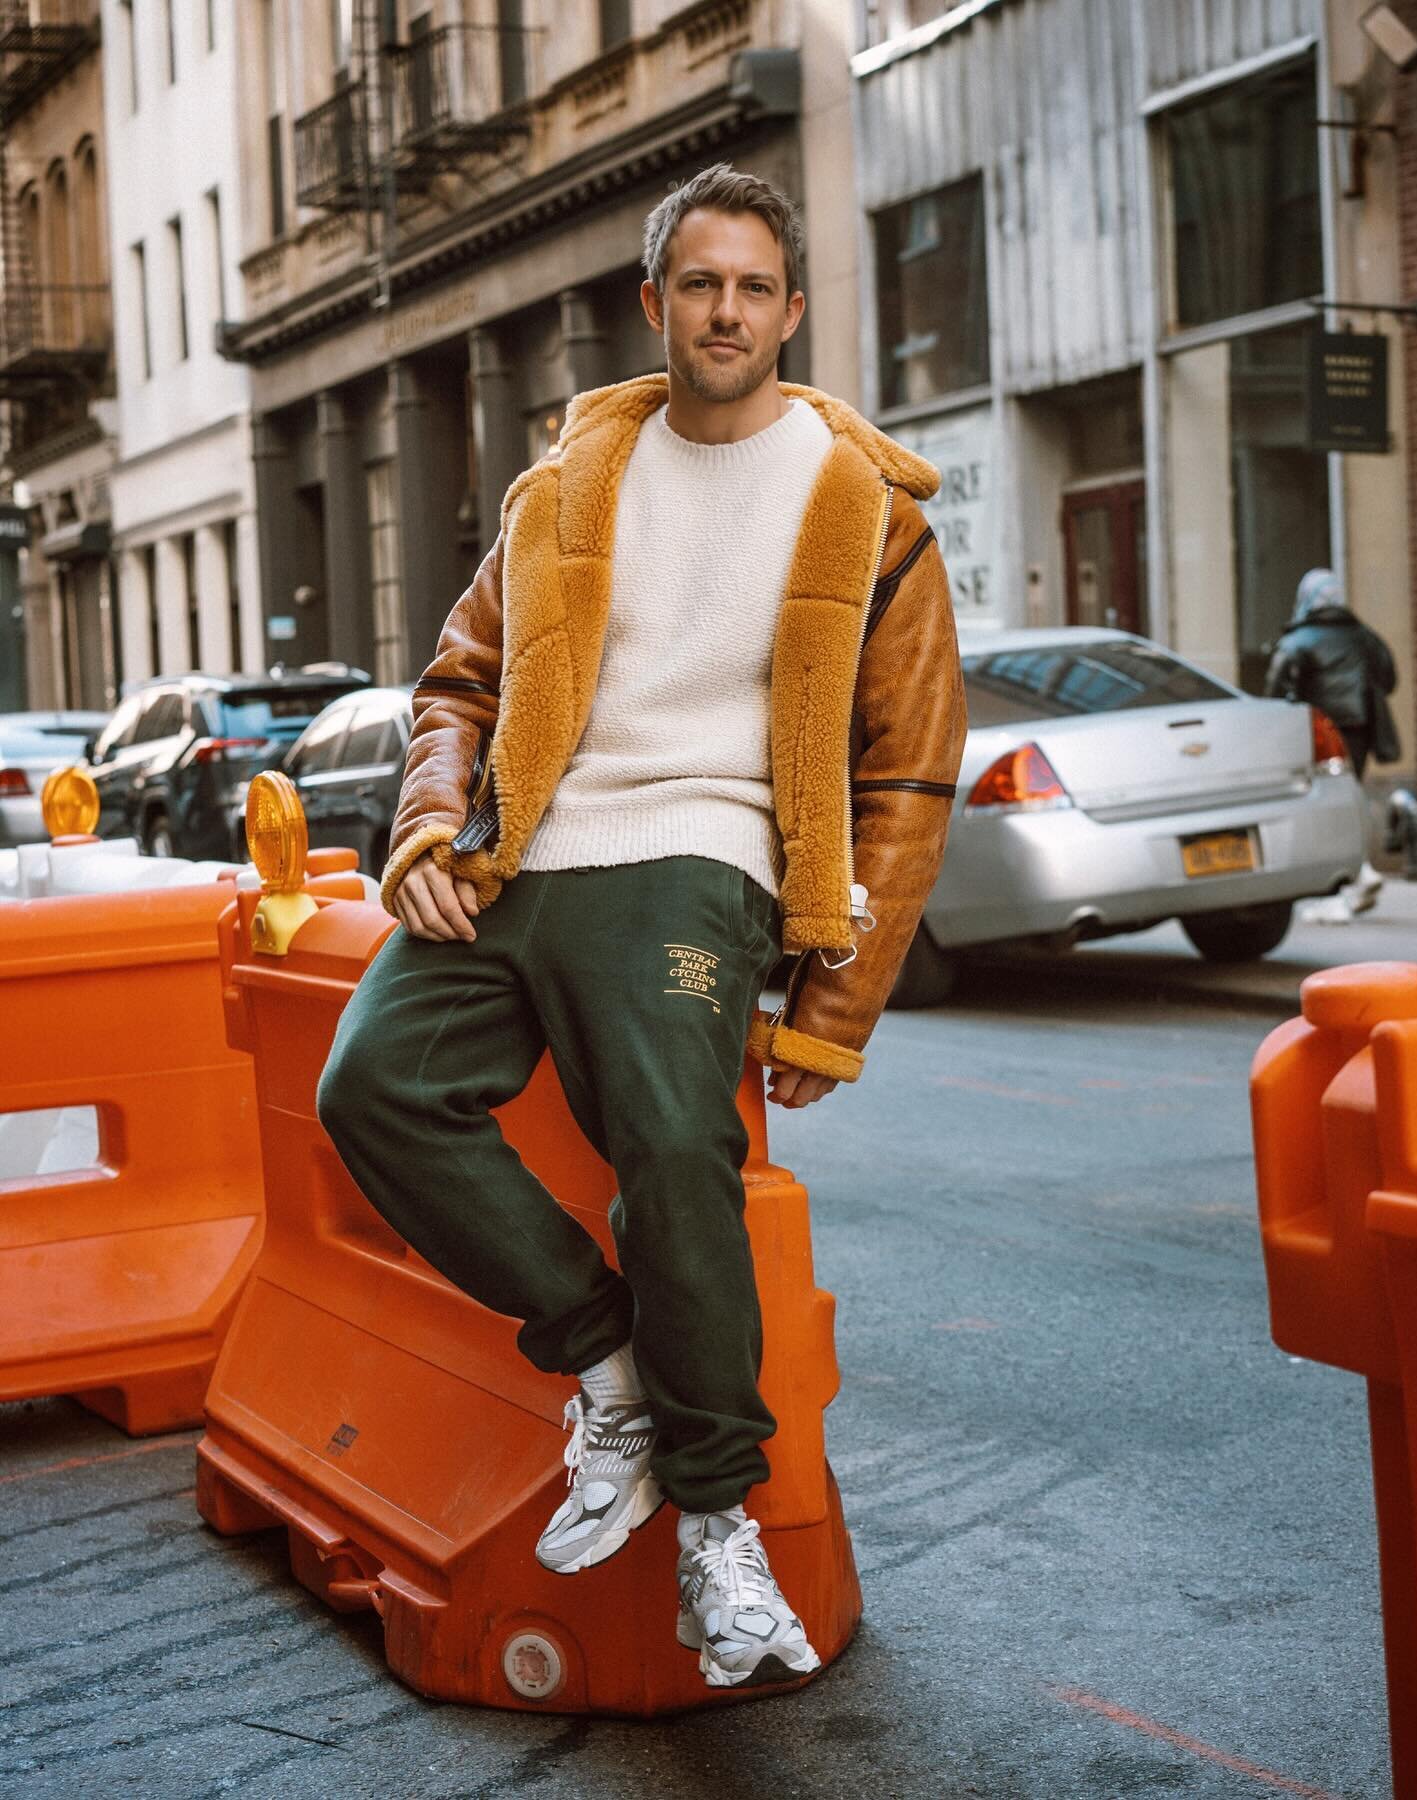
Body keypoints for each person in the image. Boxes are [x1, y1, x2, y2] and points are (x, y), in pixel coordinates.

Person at [317, 164, 966, 1690]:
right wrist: (427, 823)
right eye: (700, 283)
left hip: (705, 852)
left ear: (791, 310)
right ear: (654, 302)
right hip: (525, 852)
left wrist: (835, 1002)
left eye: (754, 286)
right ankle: (607, 1364)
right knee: (374, 1086)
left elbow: (911, 766)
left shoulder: (863, 510)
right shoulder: (568, 487)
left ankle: (719, 1529)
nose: (726, 310)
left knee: (677, 1140)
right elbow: (459, 682)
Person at [1265, 567, 1398, 913]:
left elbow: (1275, 692)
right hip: (1359, 727)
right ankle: (1356, 873)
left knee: (1324, 803)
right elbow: (1389, 677)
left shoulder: (1298, 641)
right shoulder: (1364, 637)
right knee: (1352, 795)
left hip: (1319, 733)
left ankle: (1352, 875)